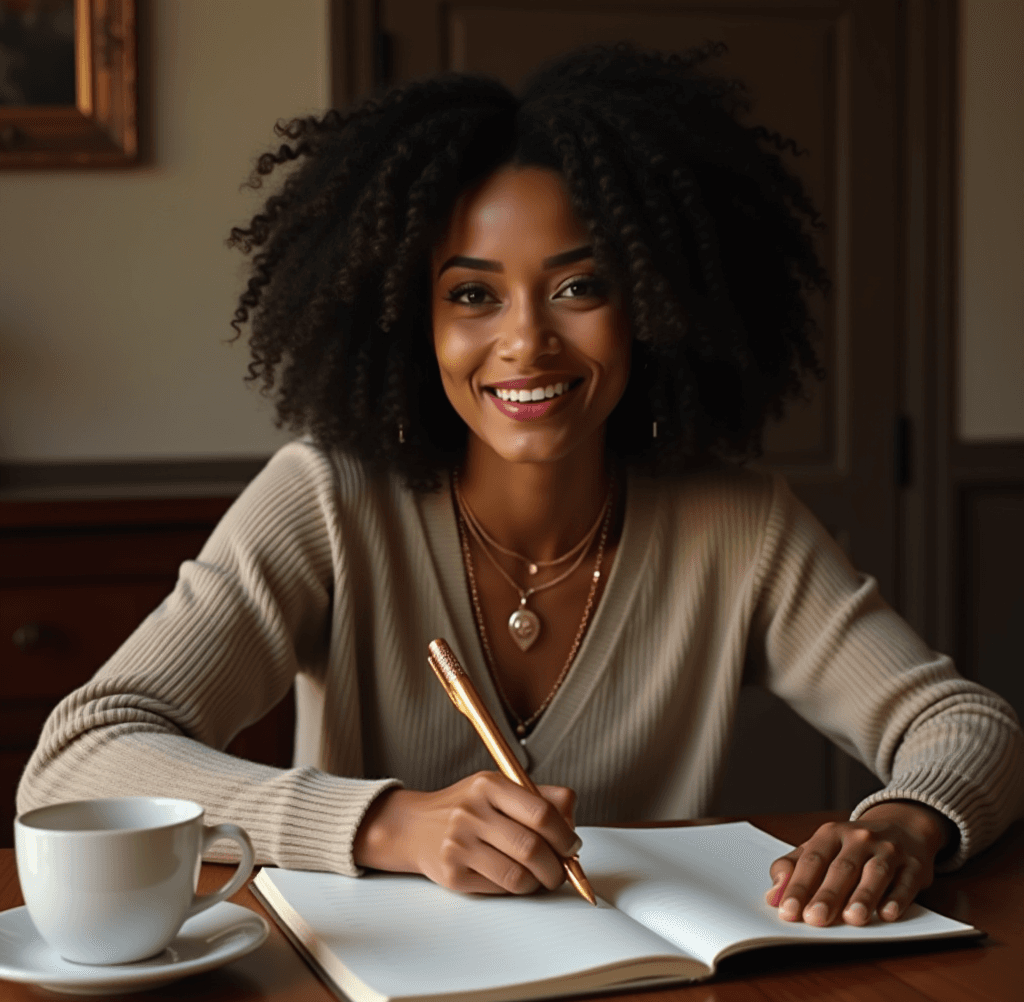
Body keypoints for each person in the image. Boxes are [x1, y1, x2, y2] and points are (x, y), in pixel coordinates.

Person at [18, 43, 1023, 930]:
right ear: (409, 321)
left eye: (580, 287)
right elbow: (79, 759)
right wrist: (386, 821)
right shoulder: (325, 498)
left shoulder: (738, 521)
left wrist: (903, 823)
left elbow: (966, 725)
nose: (526, 341)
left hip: (641, 991)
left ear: (657, 301)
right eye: (471, 295)